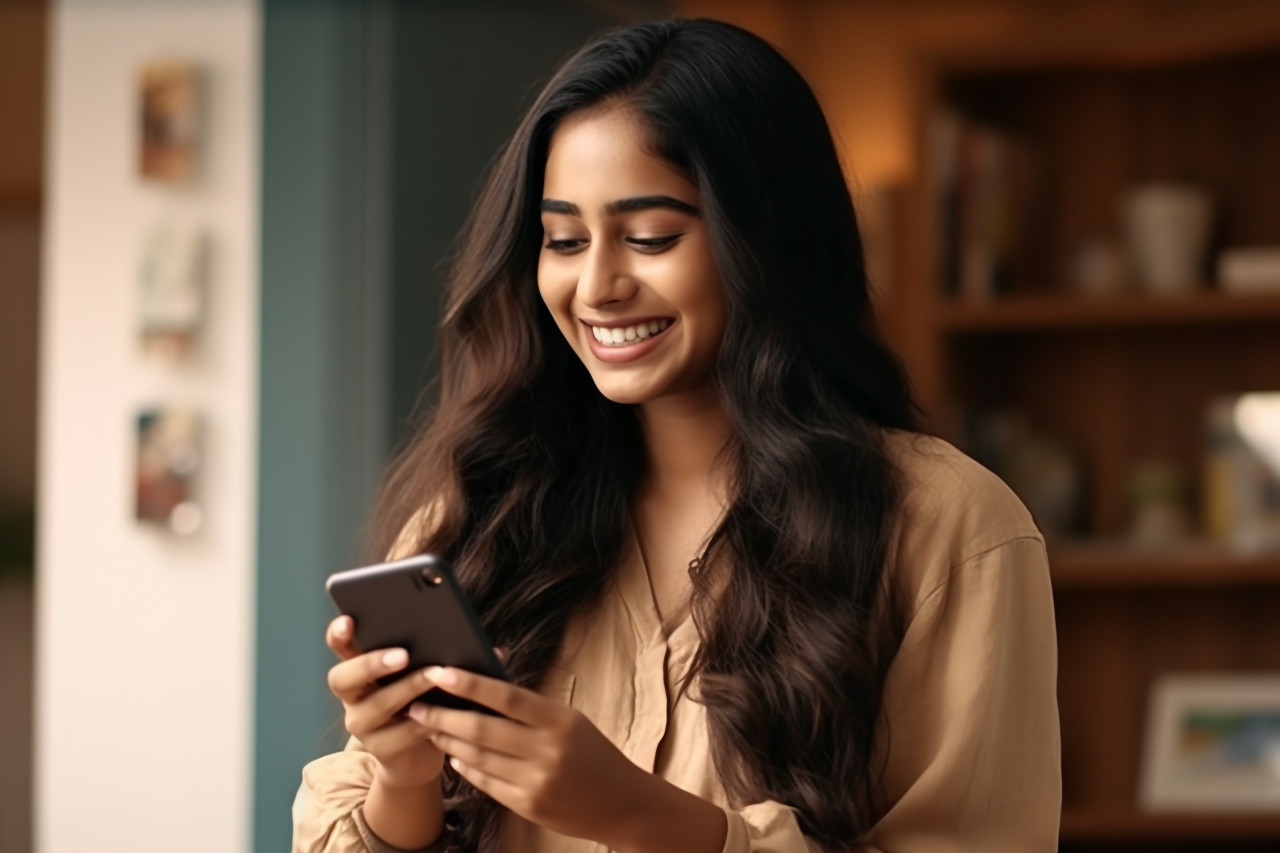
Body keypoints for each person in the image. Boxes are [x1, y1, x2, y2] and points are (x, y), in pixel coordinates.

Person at [292, 17, 1060, 853]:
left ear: (766, 239)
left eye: (651, 236)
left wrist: (637, 814)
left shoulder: (948, 529)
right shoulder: (480, 517)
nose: (596, 286)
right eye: (563, 240)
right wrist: (404, 782)